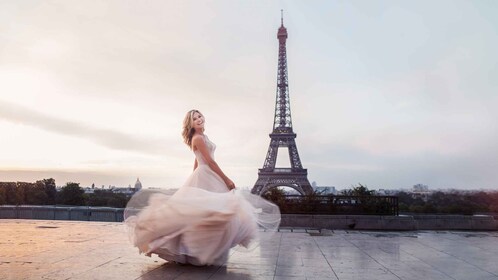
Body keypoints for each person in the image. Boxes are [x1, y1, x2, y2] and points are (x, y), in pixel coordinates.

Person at [124, 109, 280, 266]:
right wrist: (226, 179)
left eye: (200, 116)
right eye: (194, 118)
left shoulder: (203, 137)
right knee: (212, 211)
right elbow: (210, 162)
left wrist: (193, 181)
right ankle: (196, 250)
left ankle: (202, 250)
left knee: (208, 212)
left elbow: (197, 160)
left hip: (206, 174)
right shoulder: (197, 138)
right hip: (208, 173)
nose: (199, 119)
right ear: (190, 124)